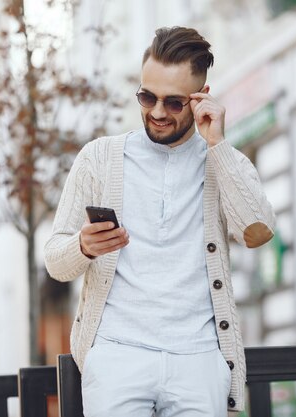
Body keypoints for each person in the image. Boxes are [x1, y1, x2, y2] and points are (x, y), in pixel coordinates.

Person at [44, 26, 275, 417]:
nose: (156, 112)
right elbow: (54, 261)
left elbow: (256, 232)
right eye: (147, 96)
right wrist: (83, 247)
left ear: (201, 97)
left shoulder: (221, 161)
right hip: (118, 354)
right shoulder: (99, 159)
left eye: (173, 102)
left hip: (199, 358)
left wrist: (217, 145)